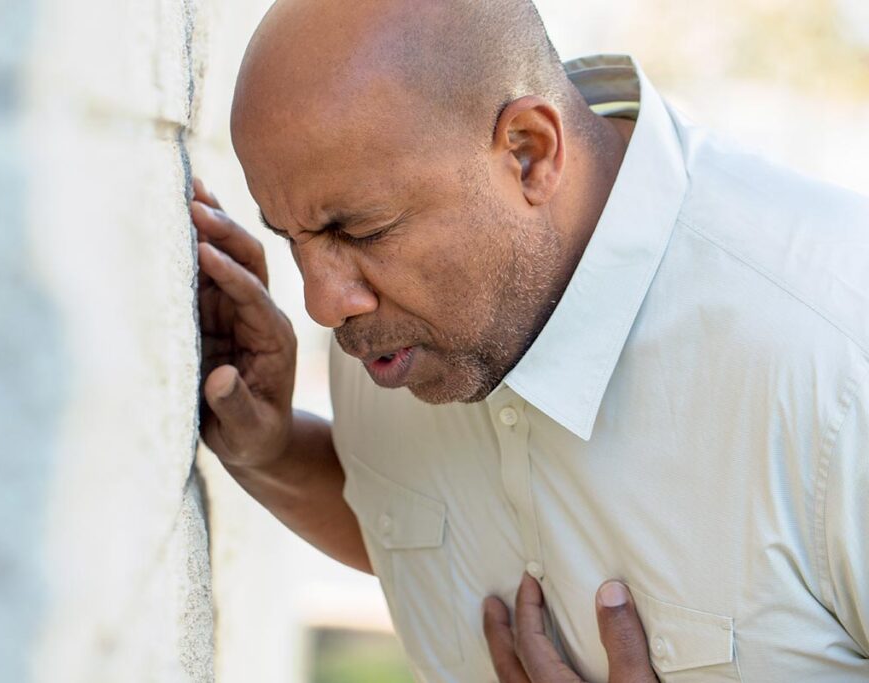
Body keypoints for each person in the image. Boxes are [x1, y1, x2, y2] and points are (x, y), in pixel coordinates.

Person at [192, 0, 869, 680]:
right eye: (292, 239)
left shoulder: (836, 353)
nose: (322, 303)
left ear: (528, 153)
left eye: (360, 231)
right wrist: (272, 448)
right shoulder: (399, 333)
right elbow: (409, 516)